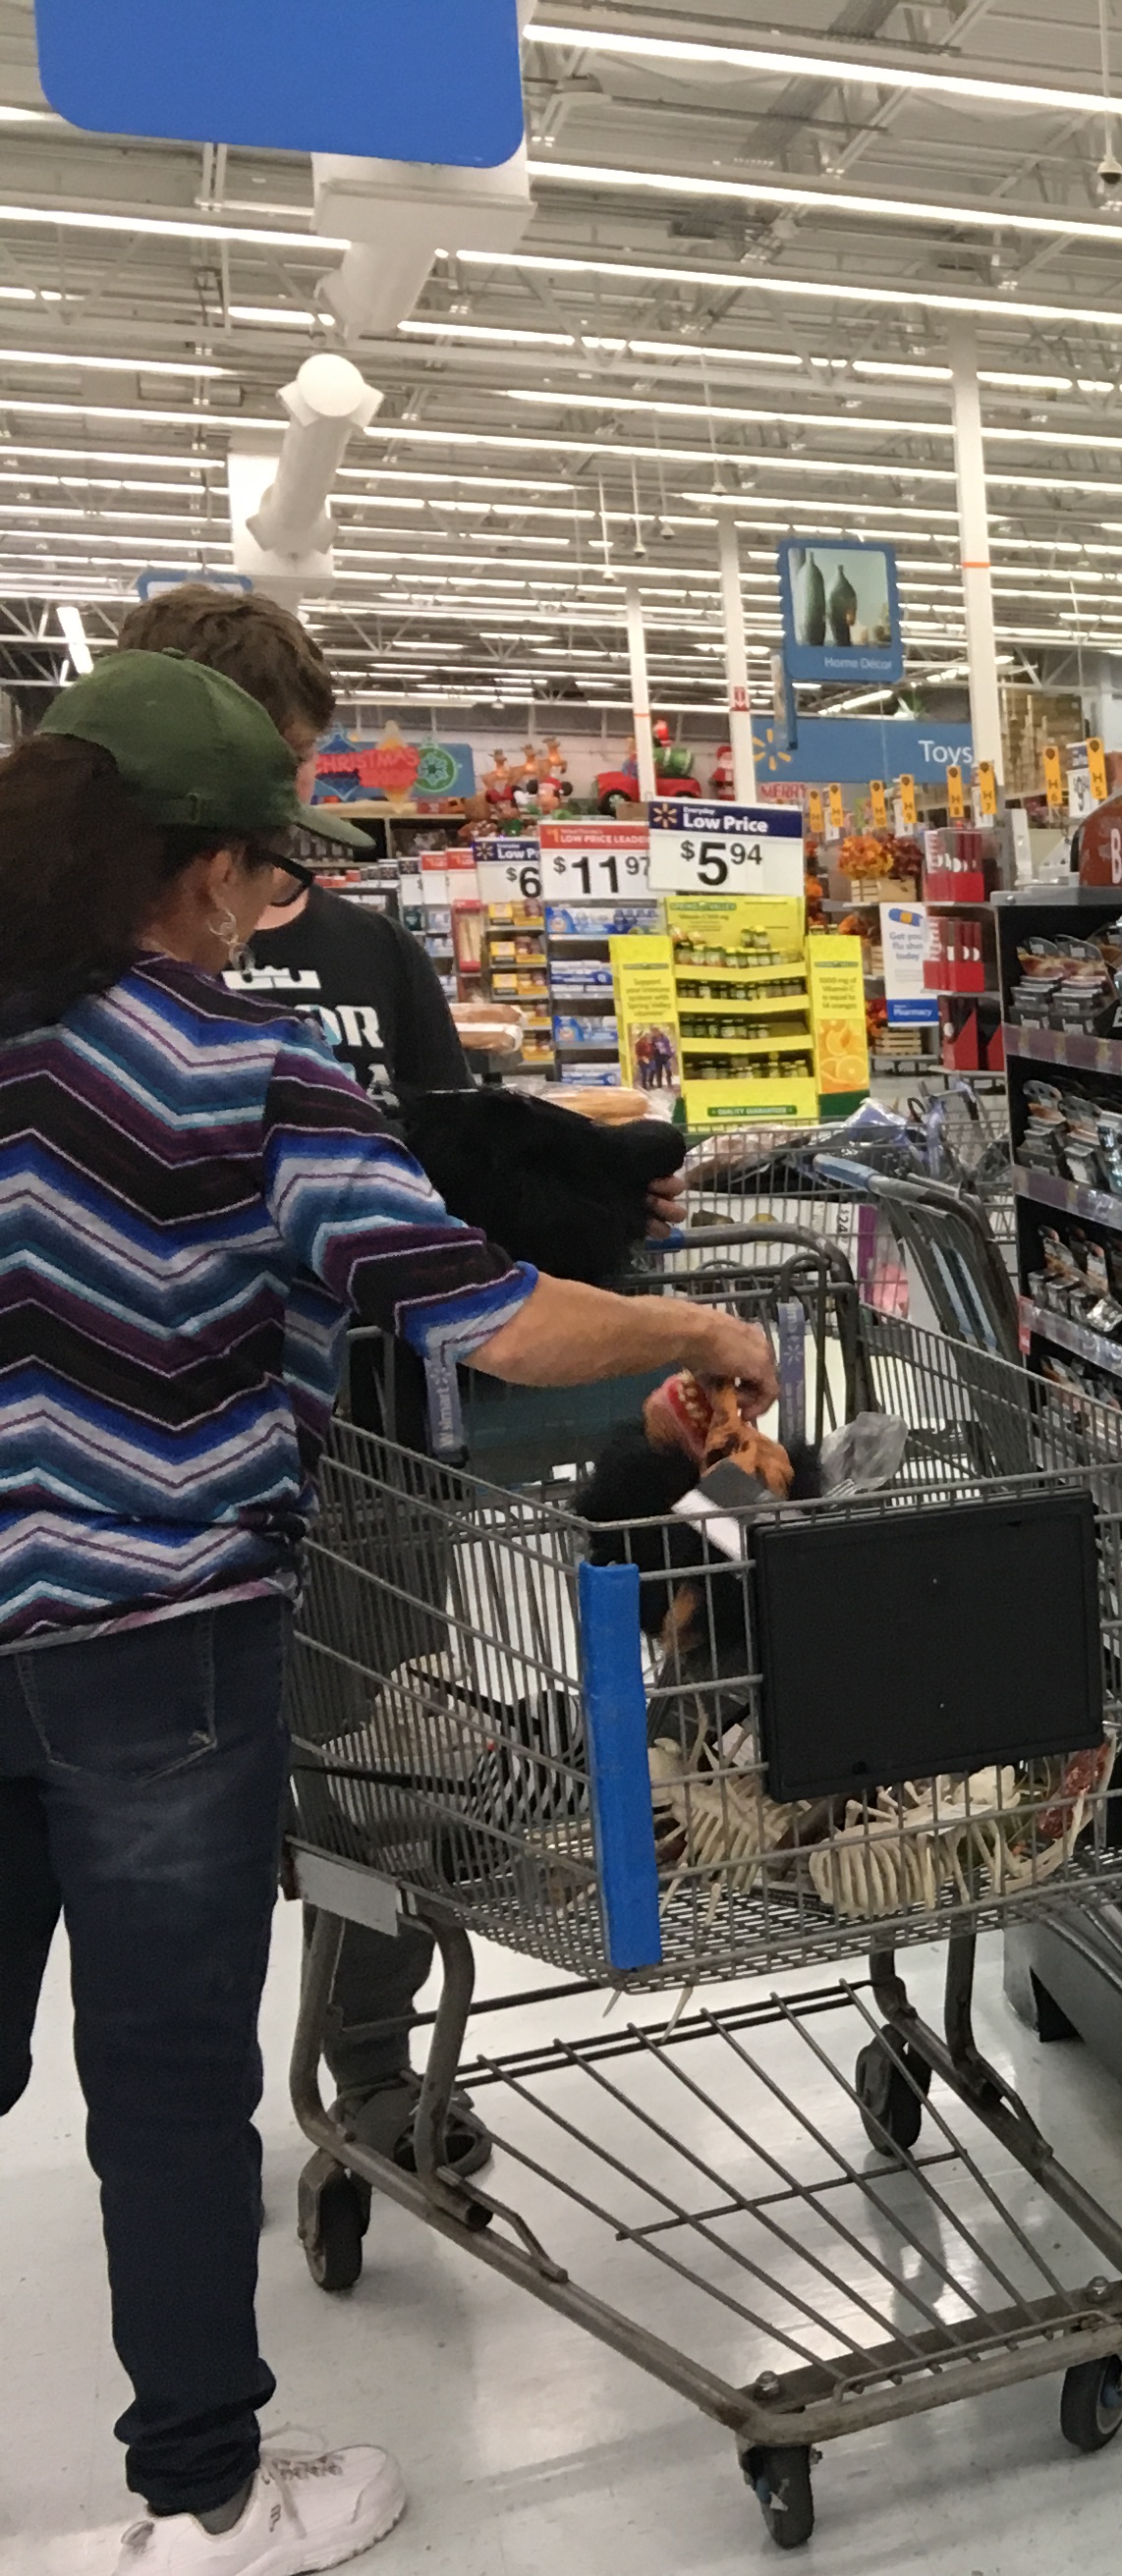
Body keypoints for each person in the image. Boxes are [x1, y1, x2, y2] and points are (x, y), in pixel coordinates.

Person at [0, 652, 777, 2576]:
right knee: (165, 2079)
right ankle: (203, 2507)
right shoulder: (242, 1071)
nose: (271, 908)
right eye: (264, 873)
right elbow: (489, 1315)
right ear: (200, 869)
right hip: (160, 1629)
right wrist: (697, 1328)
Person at [113, 587, 675, 2181]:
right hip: (170, 1472)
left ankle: (372, 2072)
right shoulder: (88, 972)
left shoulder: (365, 946)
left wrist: (605, 1191)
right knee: (195, 1822)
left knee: (387, 1761)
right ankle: (188, 2117)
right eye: (269, 765)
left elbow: (458, 1157)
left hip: (375, 1442)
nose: (281, 807)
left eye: (295, 765)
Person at [115, 587, 510, 1113]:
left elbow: (451, 1135)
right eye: (254, 759)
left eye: (298, 756)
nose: (279, 790)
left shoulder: (379, 949)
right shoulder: (78, 951)